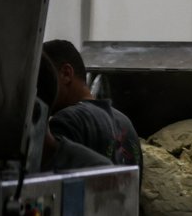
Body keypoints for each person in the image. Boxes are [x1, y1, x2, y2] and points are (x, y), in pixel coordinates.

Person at [42, 39, 143, 172]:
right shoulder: (126, 123)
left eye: (43, 77)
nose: (37, 89)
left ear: (66, 73)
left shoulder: (68, 120)